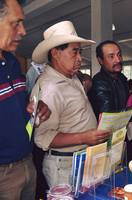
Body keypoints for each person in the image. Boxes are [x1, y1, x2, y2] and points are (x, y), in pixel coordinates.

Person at [30, 21, 111, 187]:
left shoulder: (71, 77)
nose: (80, 58)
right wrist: (84, 137)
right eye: (74, 52)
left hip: (80, 158)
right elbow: (43, 137)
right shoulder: (50, 89)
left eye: (80, 52)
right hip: (64, 166)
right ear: (55, 53)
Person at [0, 0, 51, 199]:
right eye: (16, 23)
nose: (23, 31)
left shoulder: (13, 63)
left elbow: (18, 106)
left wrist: (36, 106)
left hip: (27, 163)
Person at [89, 40, 132, 118]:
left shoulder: (121, 78)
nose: (118, 60)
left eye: (119, 55)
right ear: (100, 60)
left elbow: (126, 103)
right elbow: (108, 119)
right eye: (111, 56)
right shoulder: (99, 83)